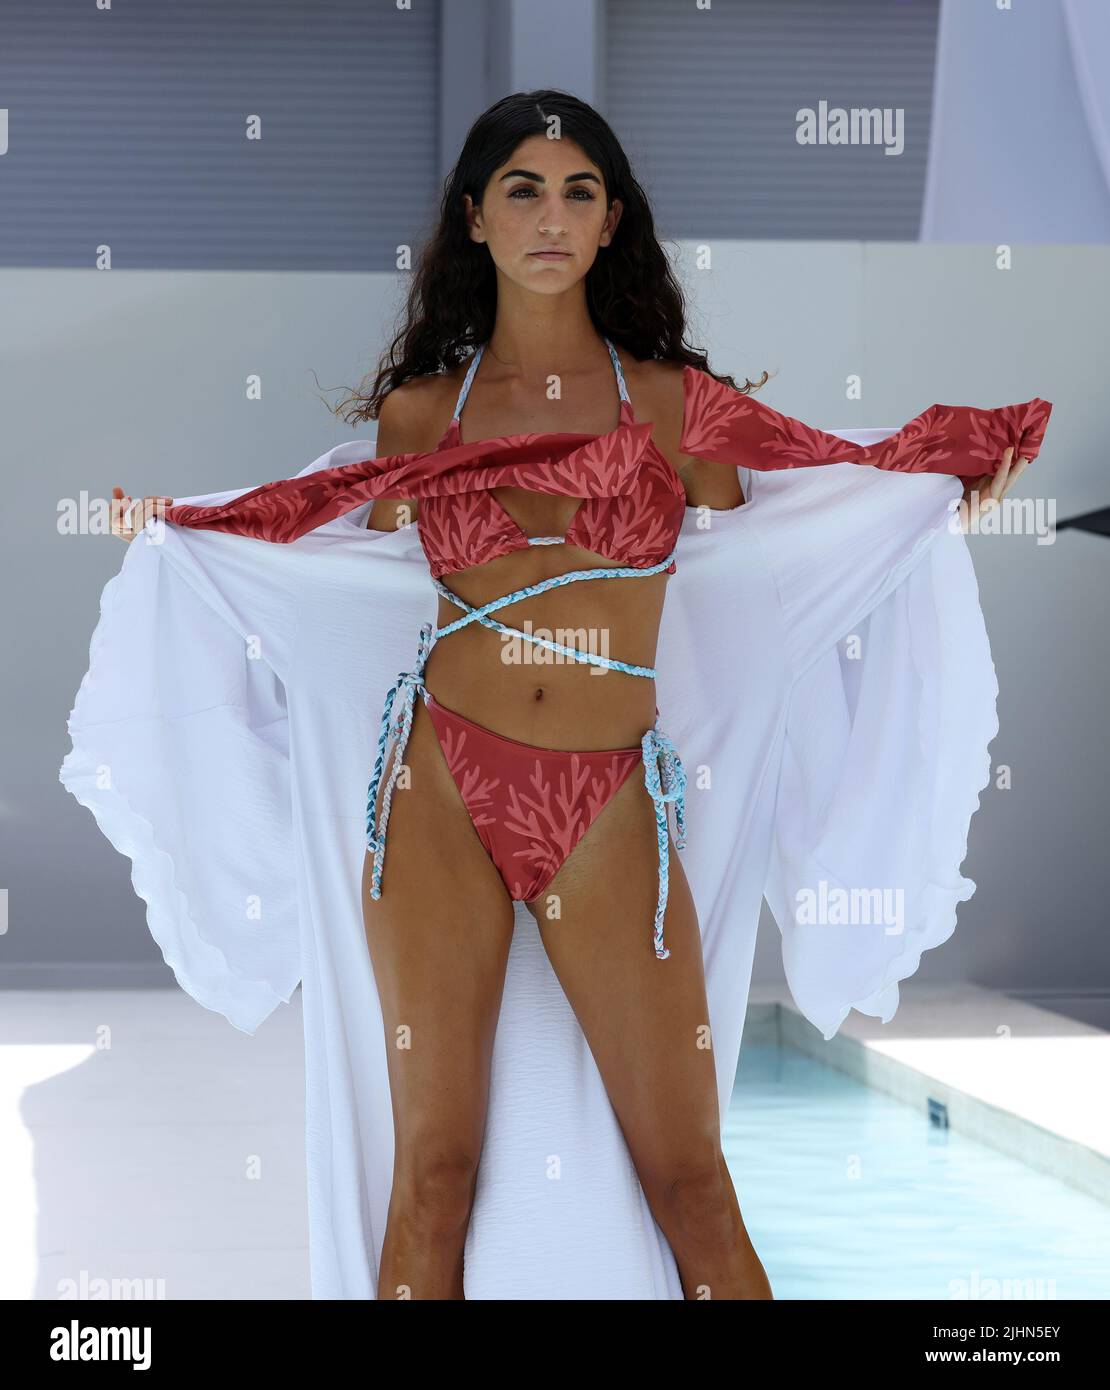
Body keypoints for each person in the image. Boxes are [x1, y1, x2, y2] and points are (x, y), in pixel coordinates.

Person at [76, 90, 1050, 1301]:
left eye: (578, 190)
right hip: (437, 783)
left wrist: (943, 493)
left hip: (604, 795)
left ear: (611, 223)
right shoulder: (421, 413)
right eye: (523, 190)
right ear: (475, 220)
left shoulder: (679, 409)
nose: (551, 215)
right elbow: (323, 546)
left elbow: (822, 494)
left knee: (690, 1179)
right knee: (434, 1172)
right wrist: (181, 533)